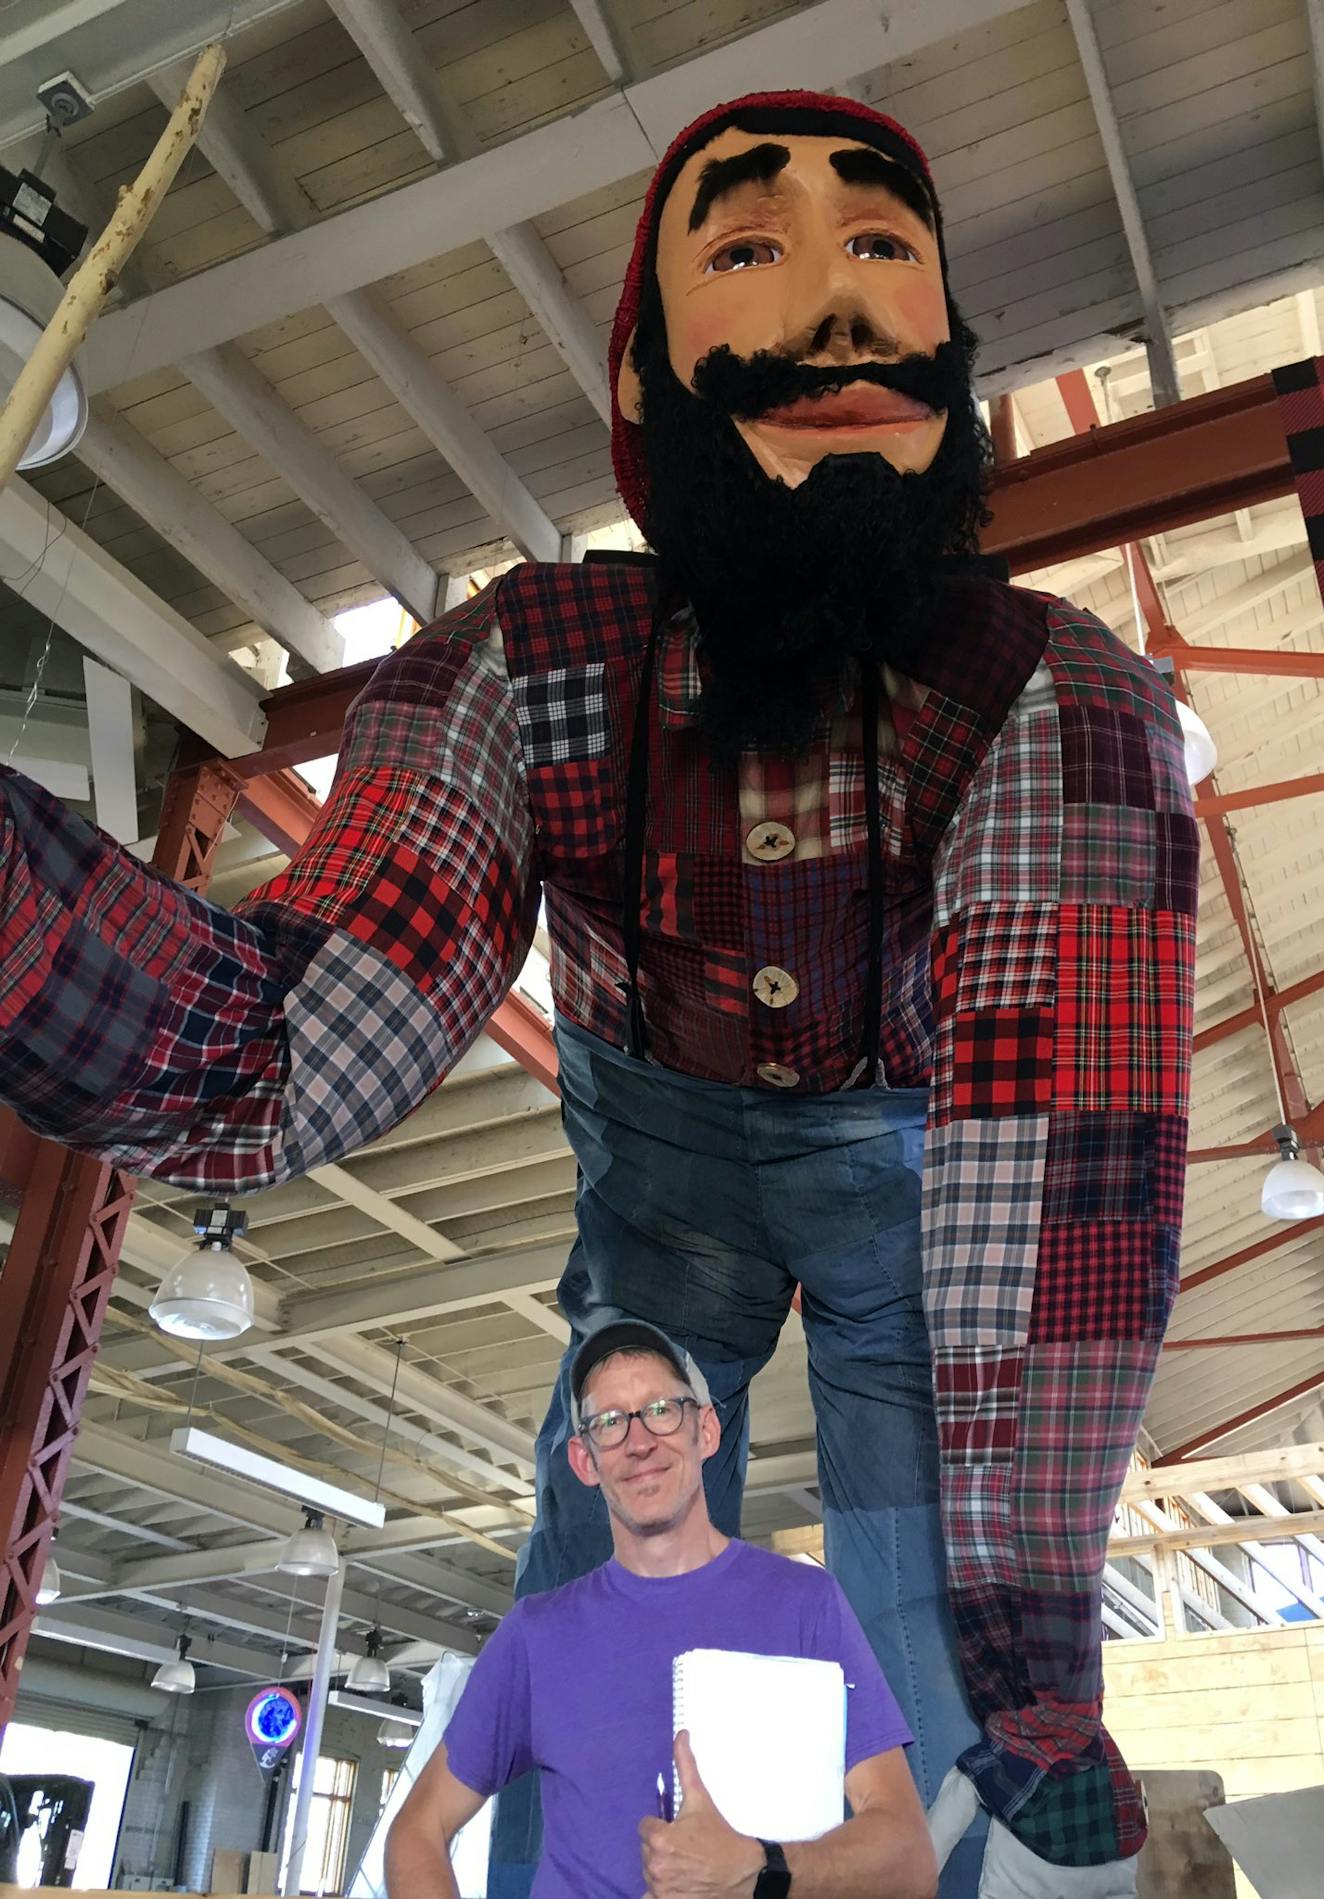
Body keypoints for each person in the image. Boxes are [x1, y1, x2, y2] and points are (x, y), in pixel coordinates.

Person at [0, 89, 1198, 1899]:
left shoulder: (1055, 693)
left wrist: (1030, 1668)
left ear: (952, 350)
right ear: (639, 382)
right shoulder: (527, 661)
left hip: (915, 1183)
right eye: (745, 250)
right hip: (664, 1179)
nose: (841, 306)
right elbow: (295, 1026)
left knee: (931, 1547)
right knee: (603, 1541)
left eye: (883, 250)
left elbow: (1045, 1192)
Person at [385, 1319, 938, 1899]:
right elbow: (416, 1830)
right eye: (609, 1421)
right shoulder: (536, 1635)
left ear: (706, 1429)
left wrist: (760, 1868)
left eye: (661, 1409)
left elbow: (909, 1859)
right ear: (584, 1461)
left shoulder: (805, 1603)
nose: (639, 1440)